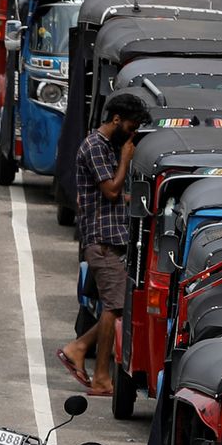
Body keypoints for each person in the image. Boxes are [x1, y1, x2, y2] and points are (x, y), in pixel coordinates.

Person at [60, 93, 147, 395]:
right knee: (115, 307)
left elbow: (109, 196)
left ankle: (79, 347)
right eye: (131, 126)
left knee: (119, 306)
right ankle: (99, 376)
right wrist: (125, 159)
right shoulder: (97, 147)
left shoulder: (105, 146)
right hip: (103, 241)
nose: (132, 133)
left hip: (110, 238)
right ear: (116, 120)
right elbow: (110, 190)